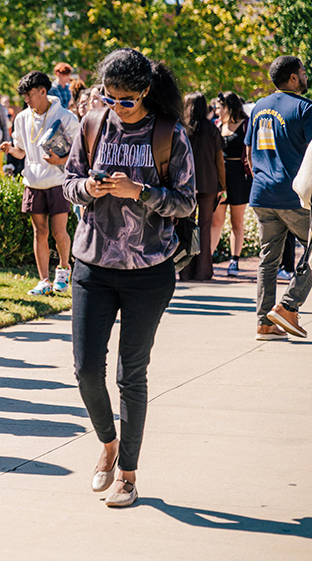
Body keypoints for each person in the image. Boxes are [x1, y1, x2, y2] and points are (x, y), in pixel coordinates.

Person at [63, 48, 195, 509]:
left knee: (130, 376)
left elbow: (185, 203)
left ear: (145, 92)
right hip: (92, 265)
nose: (117, 106)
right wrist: (89, 188)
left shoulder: (169, 133)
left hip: (148, 271)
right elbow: (69, 181)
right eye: (109, 96)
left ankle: (128, 473)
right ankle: (107, 441)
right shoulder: (93, 124)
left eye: (126, 100)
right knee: (84, 369)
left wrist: (140, 191)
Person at [246, 55, 312, 340]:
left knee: (268, 261)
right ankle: (288, 306)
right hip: (295, 195)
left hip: (262, 192)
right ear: (293, 78)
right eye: (302, 71)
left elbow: (249, 154)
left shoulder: (259, 107)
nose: (305, 75)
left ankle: (265, 323)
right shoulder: (305, 108)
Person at [0, 70, 79, 296]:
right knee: (39, 232)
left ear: (43, 91)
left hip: (57, 181)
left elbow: (78, 153)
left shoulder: (66, 117)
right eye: (25, 95)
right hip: (33, 181)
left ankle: (63, 269)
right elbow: (21, 151)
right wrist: (10, 149)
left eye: (30, 94)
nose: (27, 99)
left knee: (58, 231)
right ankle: (43, 280)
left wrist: (60, 160)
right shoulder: (22, 118)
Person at [180, 92, 225, 281]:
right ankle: (204, 271)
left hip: (186, 185)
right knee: (205, 226)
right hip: (209, 184)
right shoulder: (212, 130)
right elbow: (219, 160)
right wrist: (223, 185)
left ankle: (185, 270)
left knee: (187, 226)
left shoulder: (181, 130)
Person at [212, 91, 252, 276]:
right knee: (216, 221)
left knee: (237, 221)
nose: (217, 111)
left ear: (229, 106)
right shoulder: (219, 125)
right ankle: (208, 258)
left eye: (220, 107)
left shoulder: (246, 124)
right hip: (221, 178)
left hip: (239, 178)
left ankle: (234, 261)